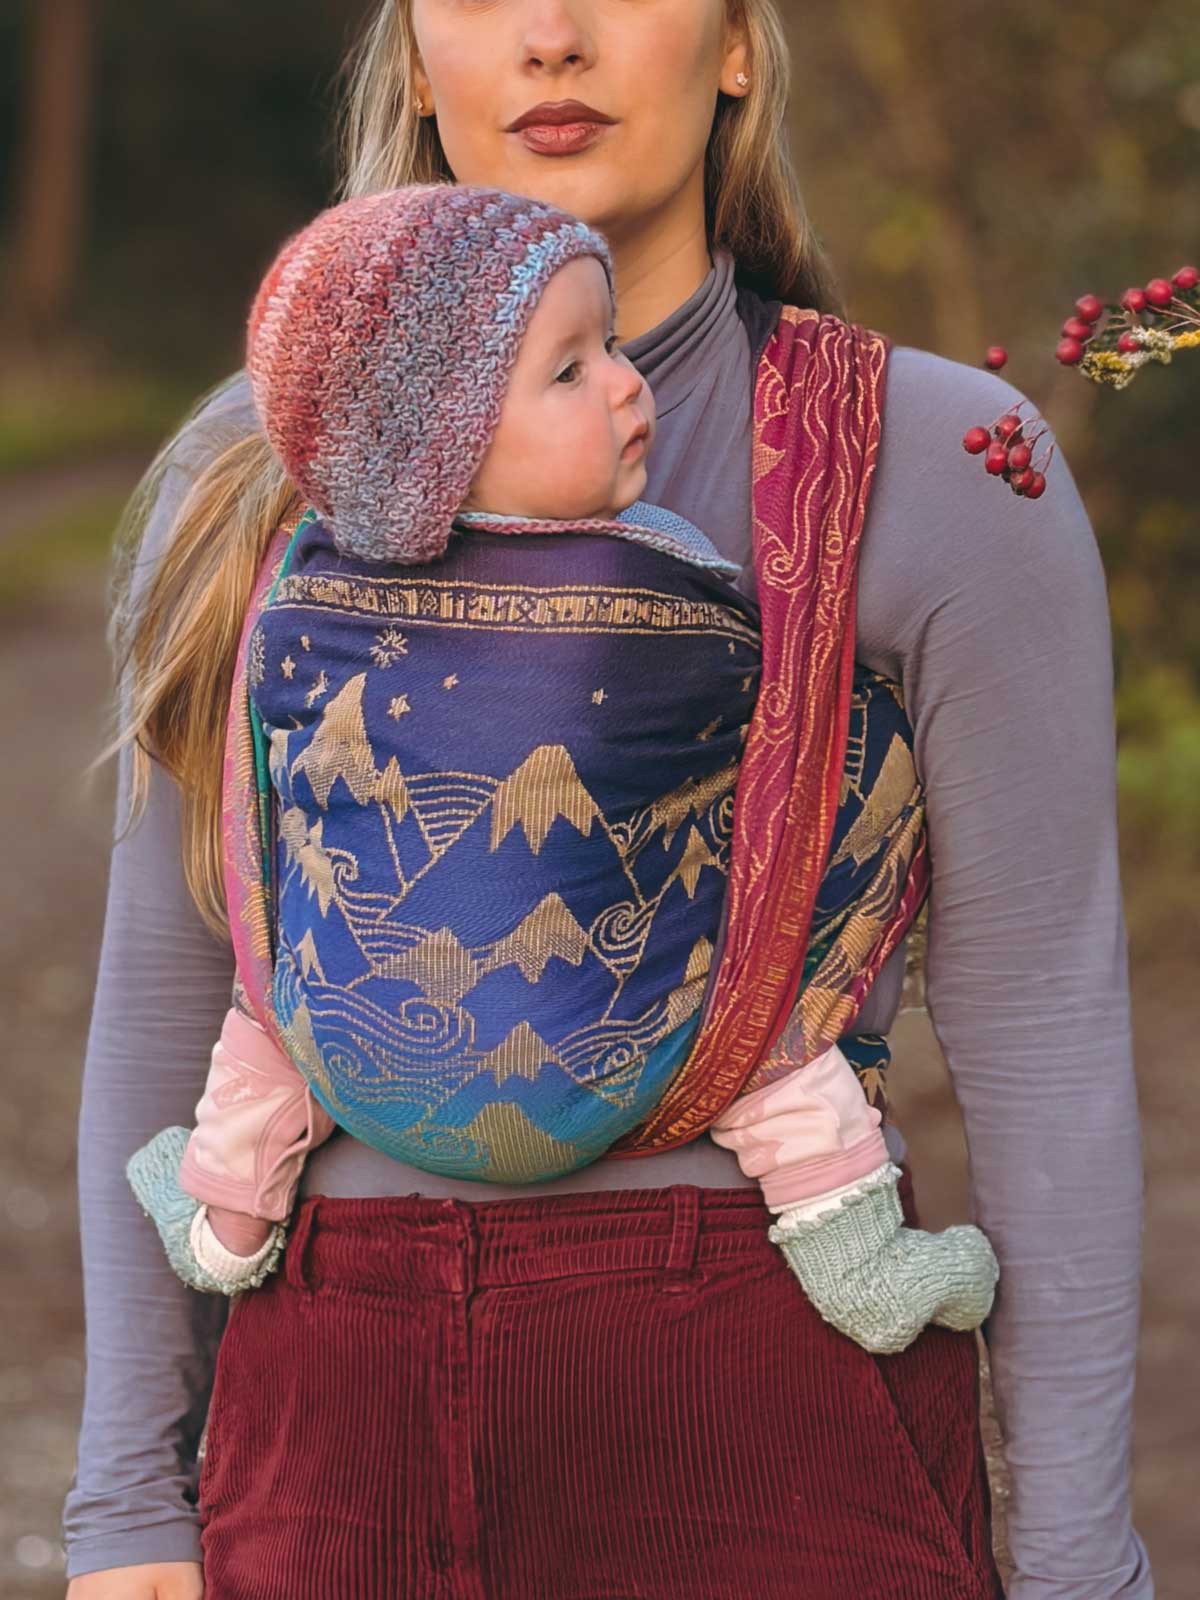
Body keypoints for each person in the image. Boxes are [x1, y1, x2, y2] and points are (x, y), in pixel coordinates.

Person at [62, 3, 1152, 1598]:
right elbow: (167, 991)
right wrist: (125, 1509)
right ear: (419, 59)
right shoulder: (252, 466)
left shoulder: (940, 462)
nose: (553, 36)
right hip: (324, 1441)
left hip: (770, 1433)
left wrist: (1078, 1563)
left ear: (734, 46)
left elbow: (1045, 1031)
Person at [121, 182, 997, 1360]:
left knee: (279, 984)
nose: (631, 383)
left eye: (614, 346)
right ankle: (856, 1254)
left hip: (353, 1060)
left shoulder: (307, 587)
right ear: (441, 446)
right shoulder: (665, 568)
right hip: (643, 1037)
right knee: (770, 1039)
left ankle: (226, 1220)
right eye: (571, 371)